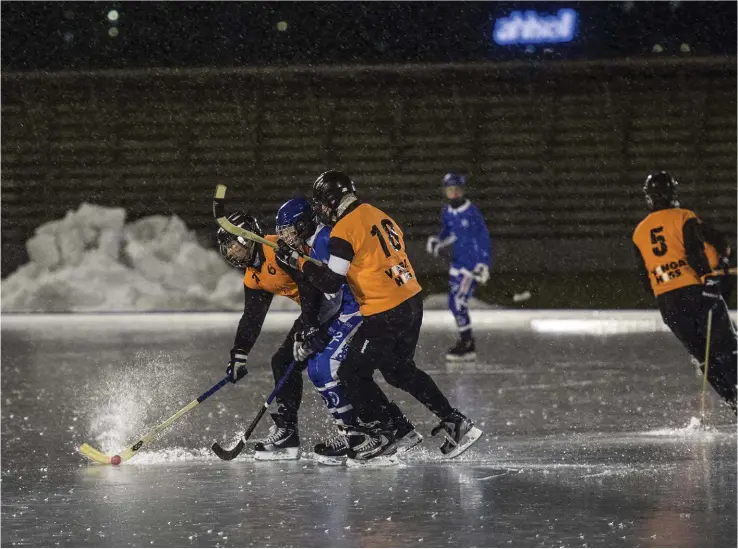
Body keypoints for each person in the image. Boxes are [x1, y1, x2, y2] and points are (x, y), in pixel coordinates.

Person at [276, 170, 483, 462]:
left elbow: (331, 282)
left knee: (350, 372)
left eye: (323, 204)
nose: (321, 211)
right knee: (398, 370)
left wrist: (298, 262)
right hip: (411, 300)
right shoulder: (376, 212)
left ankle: (383, 435)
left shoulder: (343, 230)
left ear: (331, 201)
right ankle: (454, 422)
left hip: (385, 310)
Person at [275, 197, 422, 465]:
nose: (286, 237)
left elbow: (331, 288)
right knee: (320, 366)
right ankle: (366, 431)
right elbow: (314, 292)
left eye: (289, 230)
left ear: (303, 224)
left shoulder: (324, 241)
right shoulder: (311, 243)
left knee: (327, 367)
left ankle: (366, 433)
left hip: (359, 309)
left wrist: (316, 327)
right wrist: (308, 329)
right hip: (347, 310)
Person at [216, 210, 327, 460]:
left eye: (233, 244)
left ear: (247, 237)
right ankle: (287, 434)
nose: (231, 252)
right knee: (283, 361)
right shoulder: (253, 274)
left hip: (330, 304)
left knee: (334, 367)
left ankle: (368, 427)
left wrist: (309, 327)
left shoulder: (277, 249)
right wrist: (239, 353)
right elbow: (252, 317)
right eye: (227, 248)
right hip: (315, 311)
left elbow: (310, 286)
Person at [632, 171, 736, 415]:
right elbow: (694, 252)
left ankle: (732, 402)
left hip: (668, 302)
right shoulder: (683, 216)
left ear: (649, 198)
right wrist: (708, 277)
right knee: (728, 347)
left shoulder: (639, 232)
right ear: (673, 193)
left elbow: (645, 277)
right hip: (697, 292)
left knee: (704, 357)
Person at [426, 173, 492, 361]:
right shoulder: (447, 211)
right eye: (449, 190)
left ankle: (467, 343)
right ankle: (466, 341)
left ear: (463, 191)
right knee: (455, 304)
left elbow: (483, 239)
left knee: (457, 302)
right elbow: (449, 232)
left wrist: (483, 264)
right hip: (457, 263)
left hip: (469, 267)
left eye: (456, 190)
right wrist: (437, 241)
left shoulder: (472, 213)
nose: (453, 194)